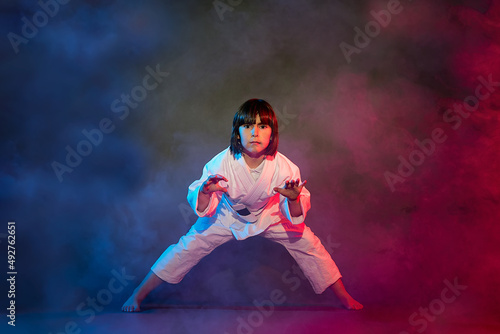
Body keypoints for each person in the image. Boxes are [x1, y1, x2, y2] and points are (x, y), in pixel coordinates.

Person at [122, 99, 363, 312]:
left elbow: (296, 214)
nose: (254, 133)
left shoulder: (285, 168)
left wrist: (292, 198)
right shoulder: (222, 162)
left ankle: (343, 297)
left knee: (310, 245)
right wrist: (205, 192)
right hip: (227, 215)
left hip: (271, 215)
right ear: (237, 133)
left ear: (272, 133)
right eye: (247, 126)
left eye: (262, 126)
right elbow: (202, 199)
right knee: (185, 248)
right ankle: (139, 294)